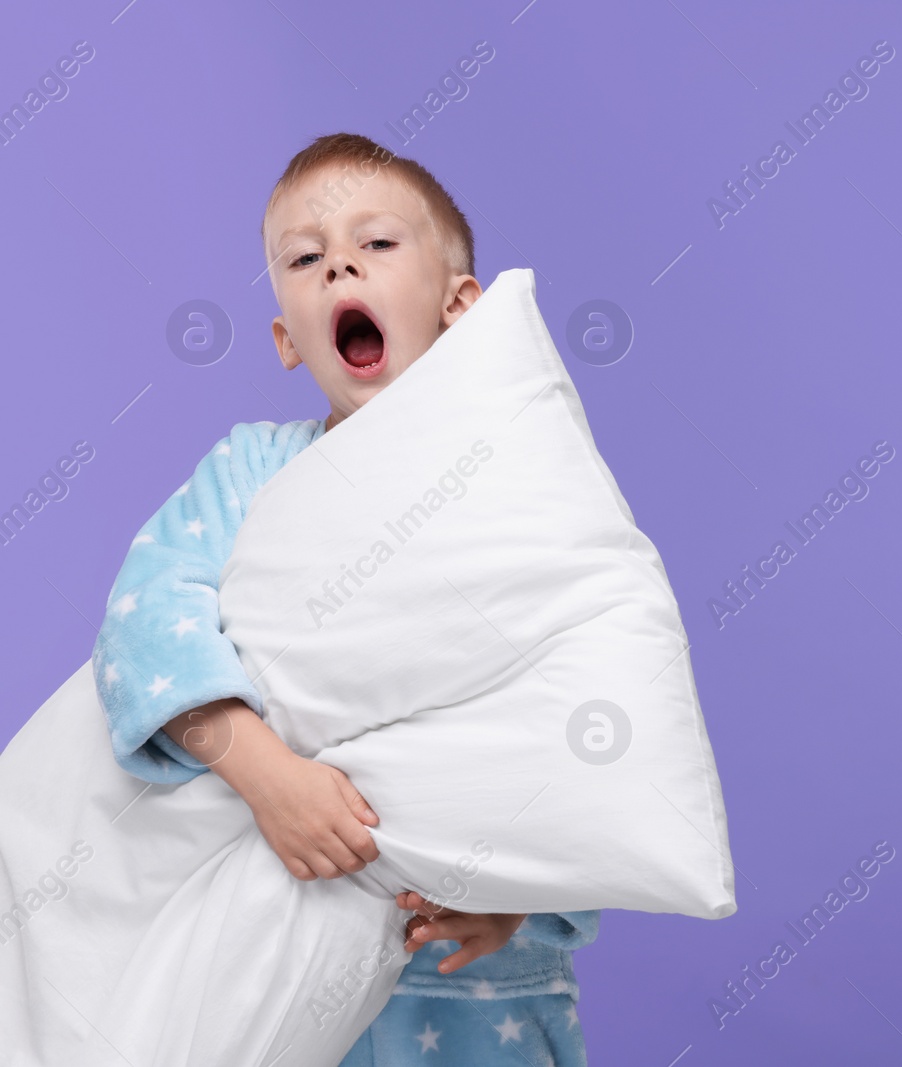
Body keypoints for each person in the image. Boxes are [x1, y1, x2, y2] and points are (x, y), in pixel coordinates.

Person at [91, 131, 598, 1065]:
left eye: (377, 244)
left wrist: (525, 888)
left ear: (460, 308)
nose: (341, 266)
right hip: (273, 964)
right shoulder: (251, 471)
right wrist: (262, 770)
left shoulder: (523, 493)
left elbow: (586, 697)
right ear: (288, 339)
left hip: (473, 985)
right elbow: (143, 622)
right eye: (307, 257)